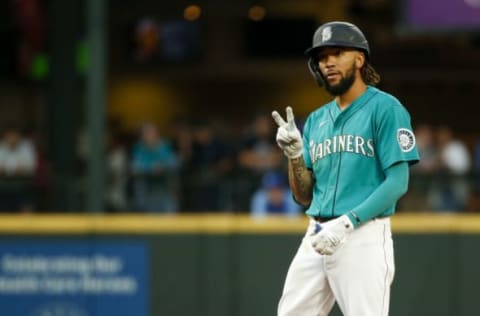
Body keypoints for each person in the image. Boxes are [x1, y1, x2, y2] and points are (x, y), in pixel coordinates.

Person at [271, 21, 420, 316]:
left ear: (360, 59)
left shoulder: (386, 109)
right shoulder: (315, 120)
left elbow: (398, 182)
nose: (328, 62)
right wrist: (295, 156)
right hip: (316, 232)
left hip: (362, 233)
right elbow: (303, 196)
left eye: (337, 53)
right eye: (322, 57)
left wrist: (348, 222)